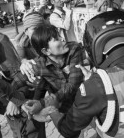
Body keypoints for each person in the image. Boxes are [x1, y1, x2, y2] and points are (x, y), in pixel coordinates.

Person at [24, 10, 124, 138]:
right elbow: (26, 82)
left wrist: (49, 109)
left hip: (81, 107)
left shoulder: (95, 83)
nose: (62, 39)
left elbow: (68, 129)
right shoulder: (38, 63)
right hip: (68, 107)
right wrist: (17, 99)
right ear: (45, 50)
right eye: (56, 38)